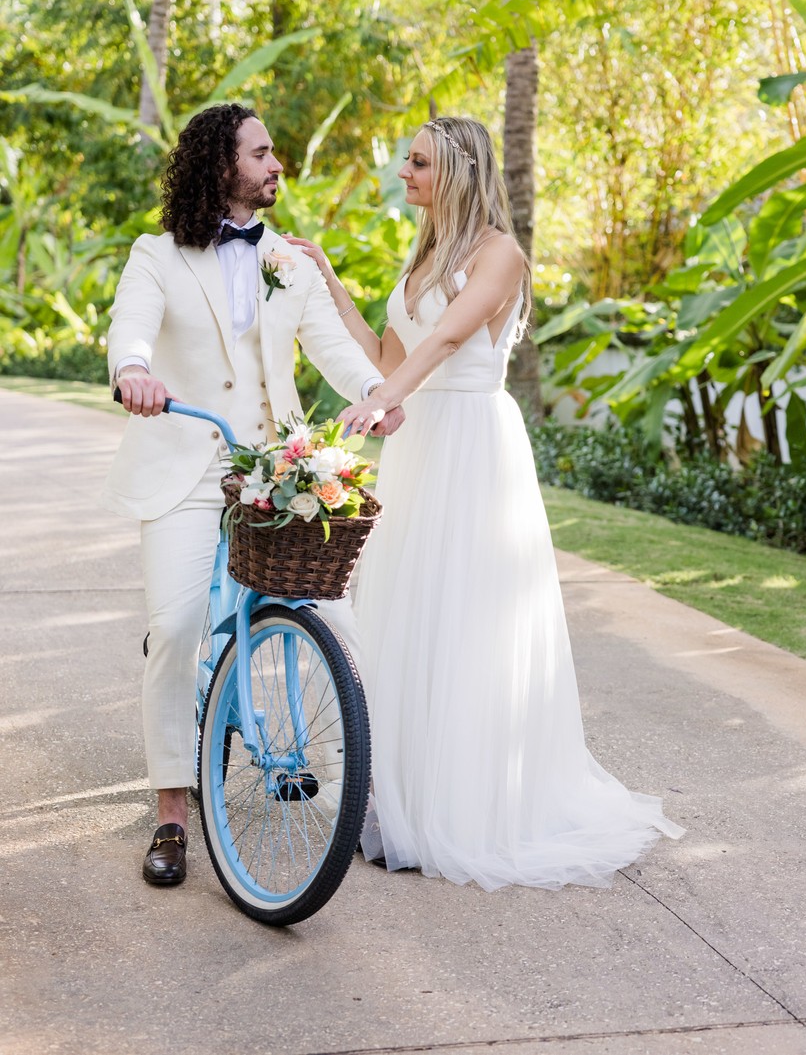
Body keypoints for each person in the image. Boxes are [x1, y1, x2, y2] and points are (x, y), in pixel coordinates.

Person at [286, 115, 683, 891]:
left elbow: (442, 345)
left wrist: (380, 403)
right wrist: (328, 278)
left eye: (419, 162)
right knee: (408, 611)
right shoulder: (423, 256)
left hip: (471, 445)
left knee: (465, 615)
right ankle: (400, 793)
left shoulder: (500, 253)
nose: (405, 173)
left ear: (460, 171)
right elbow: (386, 354)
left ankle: (468, 807)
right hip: (420, 448)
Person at [103, 103, 401, 887]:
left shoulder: (290, 262)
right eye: (262, 153)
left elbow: (335, 349)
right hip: (185, 462)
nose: (277, 165)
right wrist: (133, 370)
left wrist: (376, 392)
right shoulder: (157, 254)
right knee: (176, 629)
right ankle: (174, 811)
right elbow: (131, 326)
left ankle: (361, 792)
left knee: (335, 621)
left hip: (274, 466)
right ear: (221, 163)